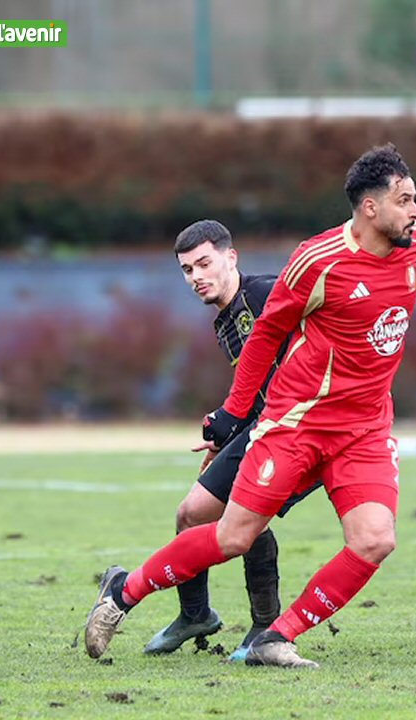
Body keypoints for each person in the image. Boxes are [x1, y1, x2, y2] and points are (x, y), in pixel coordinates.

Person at [85, 143, 416, 667]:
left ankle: (274, 637)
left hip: (365, 428)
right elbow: (267, 336)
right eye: (405, 201)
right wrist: (231, 415)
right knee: (231, 535)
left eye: (415, 199)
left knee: (374, 540)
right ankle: (123, 593)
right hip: (297, 425)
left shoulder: (413, 245)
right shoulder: (317, 261)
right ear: (369, 208)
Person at [141, 219, 319, 661]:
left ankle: (265, 627)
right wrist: (225, 431)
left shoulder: (261, 294)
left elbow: (320, 321)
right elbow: (258, 384)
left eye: (204, 263)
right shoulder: (224, 321)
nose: (196, 276)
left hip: (300, 430)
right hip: (255, 430)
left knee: (246, 521)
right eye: (187, 269)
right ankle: (196, 615)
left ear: (230, 257)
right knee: (189, 515)